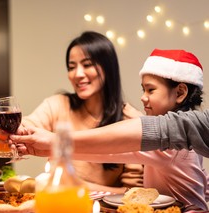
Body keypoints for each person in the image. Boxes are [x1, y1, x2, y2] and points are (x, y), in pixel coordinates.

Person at [14, 49, 209, 210]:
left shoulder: (169, 145)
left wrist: (55, 145)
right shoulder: (190, 137)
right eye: (143, 90)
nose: (143, 97)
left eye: (151, 90)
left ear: (181, 92)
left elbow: (110, 149)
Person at [20, 31, 144, 193]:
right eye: (72, 67)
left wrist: (76, 185)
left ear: (108, 68)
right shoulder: (58, 104)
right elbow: (27, 126)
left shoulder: (130, 120)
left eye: (87, 65)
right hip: (57, 205)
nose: (77, 74)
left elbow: (133, 193)